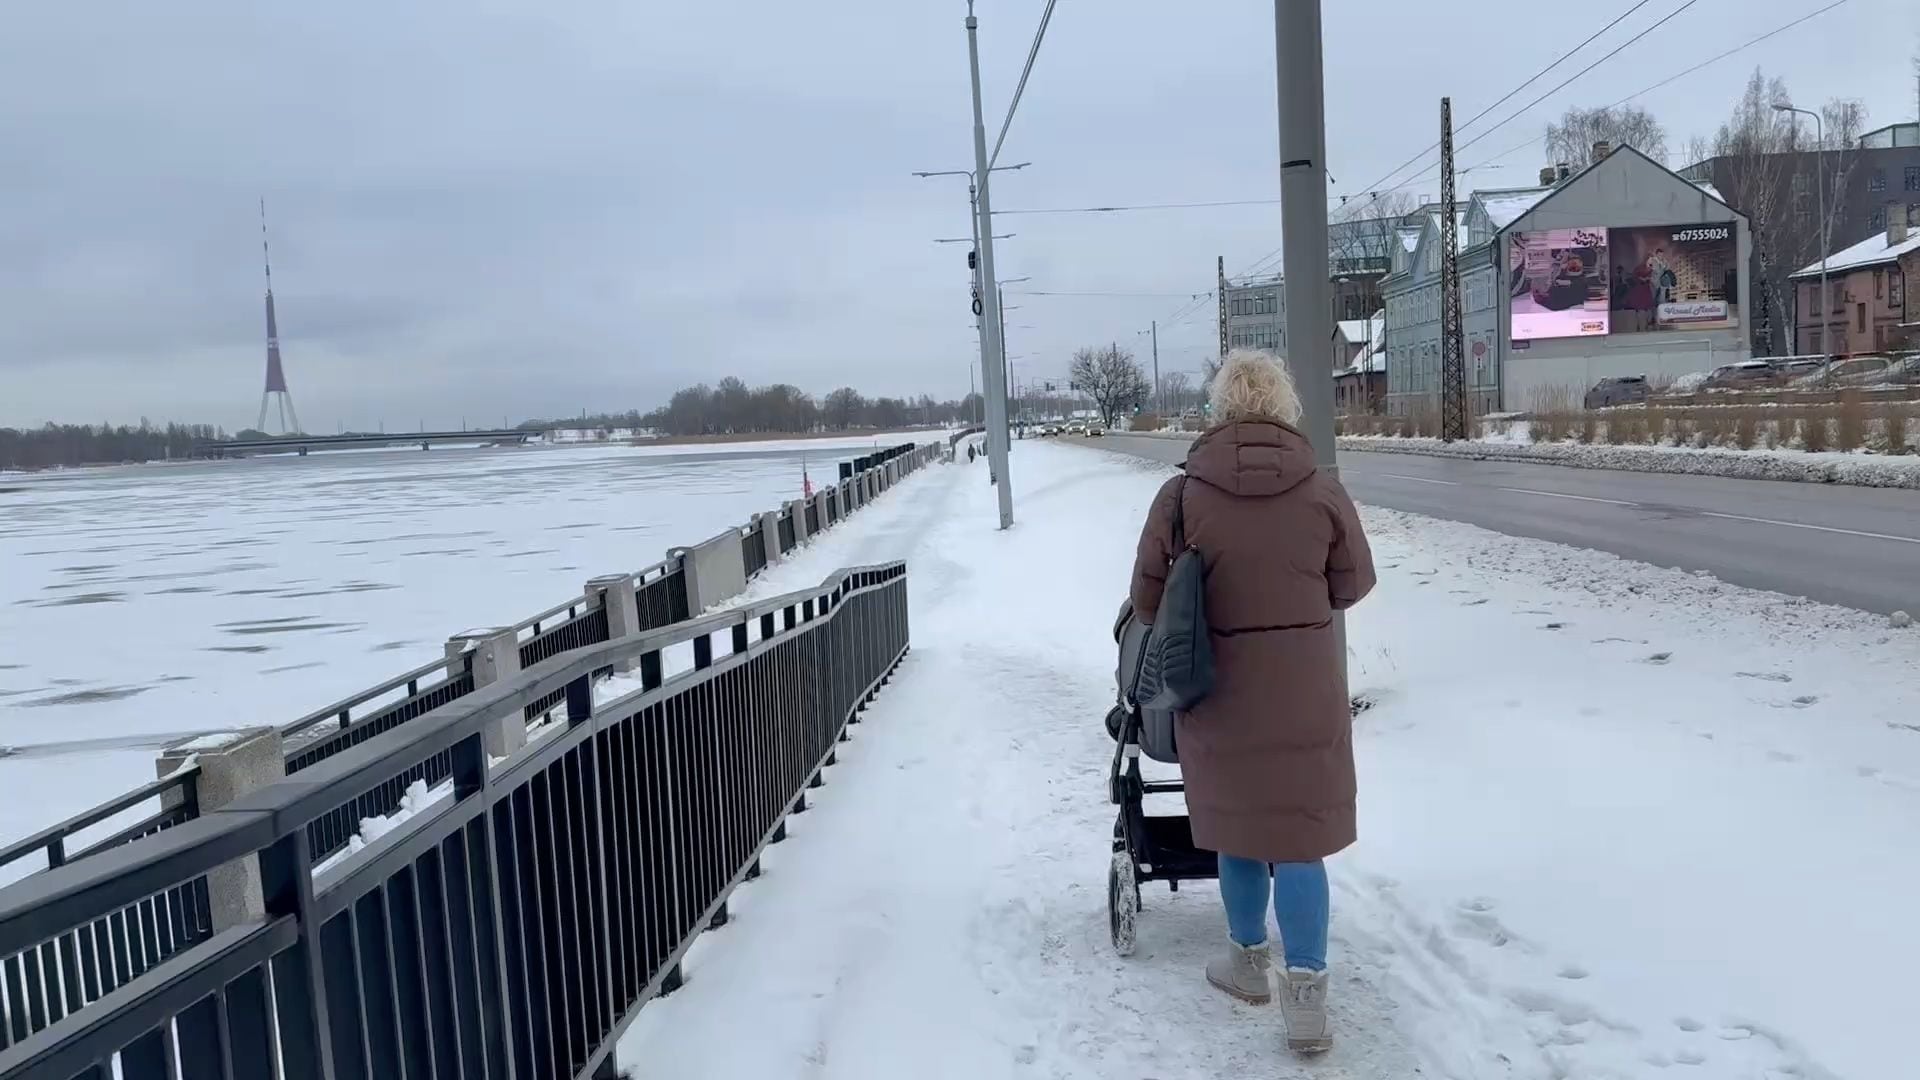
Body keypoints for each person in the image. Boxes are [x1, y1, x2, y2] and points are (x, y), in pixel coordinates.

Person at [1128, 348, 1376, 1055]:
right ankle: (1305, 998)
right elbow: (1352, 584)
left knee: (1240, 831)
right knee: (1299, 840)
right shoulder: (1322, 489)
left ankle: (1245, 967)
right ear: (1284, 407)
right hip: (1304, 691)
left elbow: (1148, 600)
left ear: (1221, 409)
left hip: (1219, 690)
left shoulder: (1180, 497)